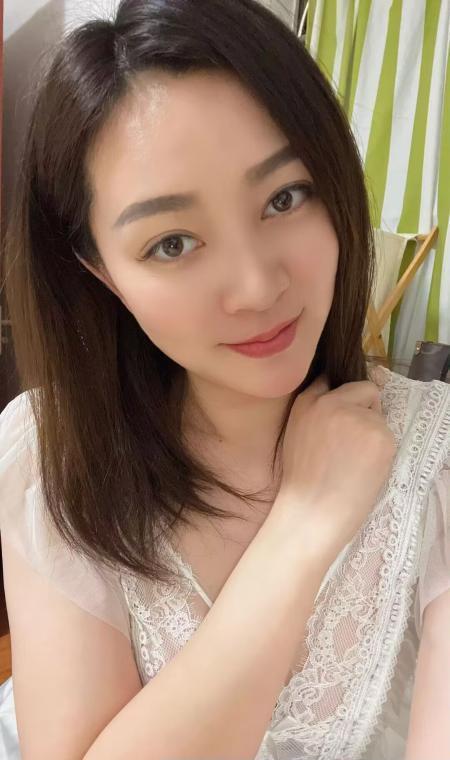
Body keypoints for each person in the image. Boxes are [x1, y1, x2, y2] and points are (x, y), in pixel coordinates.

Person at [0, 0, 449, 758]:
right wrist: (302, 528)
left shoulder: (435, 458)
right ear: (99, 271)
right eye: (173, 243)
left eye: (283, 198)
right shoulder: (52, 457)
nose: (256, 287)